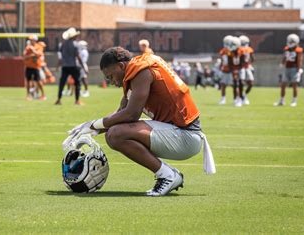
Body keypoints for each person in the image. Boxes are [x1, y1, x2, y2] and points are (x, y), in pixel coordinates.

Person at [66, 47, 215, 196]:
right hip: (178, 132)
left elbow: (131, 114)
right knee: (114, 132)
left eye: (110, 76)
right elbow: (121, 113)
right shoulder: (136, 70)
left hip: (186, 137)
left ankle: (168, 176)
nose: (111, 82)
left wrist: (94, 124)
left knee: (116, 134)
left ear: (121, 66)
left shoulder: (141, 71)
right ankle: (168, 174)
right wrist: (92, 129)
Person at [55, 27, 87, 105]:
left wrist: (58, 66)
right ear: (73, 36)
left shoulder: (63, 44)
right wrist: (83, 66)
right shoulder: (76, 44)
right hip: (74, 66)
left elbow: (61, 56)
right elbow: (78, 57)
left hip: (65, 66)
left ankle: (58, 99)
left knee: (62, 83)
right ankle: (77, 100)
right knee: (77, 83)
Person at [274, 34, 303, 107]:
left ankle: (294, 101)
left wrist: (299, 69)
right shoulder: (286, 48)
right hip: (287, 68)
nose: (290, 43)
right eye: (289, 41)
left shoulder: (298, 50)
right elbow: (285, 56)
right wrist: (282, 63)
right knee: (283, 85)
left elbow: (299, 60)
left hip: (294, 68)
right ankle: (281, 100)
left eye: (292, 41)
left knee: (294, 85)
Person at [23, 35, 46, 101]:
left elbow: (39, 55)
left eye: (32, 39)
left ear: (35, 40)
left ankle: (43, 95)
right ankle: (28, 95)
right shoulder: (28, 47)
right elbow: (24, 57)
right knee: (28, 81)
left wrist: (32, 50)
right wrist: (32, 56)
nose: (30, 41)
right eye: (30, 40)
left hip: (36, 66)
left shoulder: (38, 46)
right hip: (28, 66)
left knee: (38, 81)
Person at [227, 37, 245, 107]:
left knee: (241, 83)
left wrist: (237, 70)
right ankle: (235, 99)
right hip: (233, 68)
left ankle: (240, 98)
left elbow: (242, 63)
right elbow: (229, 63)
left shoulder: (241, 51)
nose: (231, 46)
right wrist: (233, 70)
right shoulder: (230, 52)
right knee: (234, 83)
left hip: (240, 68)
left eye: (233, 44)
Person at [239, 35, 255, 105]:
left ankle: (244, 95)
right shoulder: (238, 50)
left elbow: (252, 59)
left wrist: (250, 64)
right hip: (240, 67)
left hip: (247, 67)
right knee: (241, 83)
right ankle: (241, 97)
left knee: (251, 83)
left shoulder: (249, 49)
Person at [218, 35, 233, 105]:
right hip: (224, 70)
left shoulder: (233, 51)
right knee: (223, 85)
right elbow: (222, 60)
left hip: (231, 70)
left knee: (234, 85)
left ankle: (237, 98)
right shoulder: (223, 51)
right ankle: (223, 99)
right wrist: (220, 67)